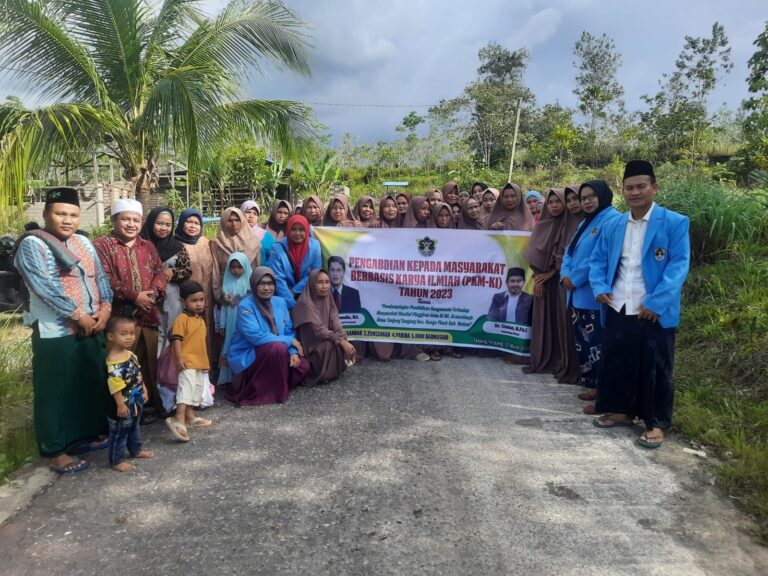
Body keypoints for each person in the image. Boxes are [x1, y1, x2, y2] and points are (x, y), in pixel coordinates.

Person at [590, 160, 690, 449]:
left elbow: (678, 266)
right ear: (623, 192)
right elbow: (598, 259)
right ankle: (621, 411)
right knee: (618, 361)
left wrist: (657, 302)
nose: (635, 192)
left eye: (641, 186)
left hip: (653, 310)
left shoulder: (675, 222)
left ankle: (655, 423)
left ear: (654, 188)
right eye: (629, 188)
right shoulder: (614, 224)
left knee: (656, 368)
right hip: (618, 304)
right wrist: (600, 287)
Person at [14, 187, 113, 473]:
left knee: (88, 382)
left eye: (73, 214)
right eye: (60, 214)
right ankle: (55, 450)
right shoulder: (33, 244)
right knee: (54, 390)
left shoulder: (84, 242)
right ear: (46, 214)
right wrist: (78, 315)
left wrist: (105, 308)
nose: (67, 220)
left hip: (92, 324)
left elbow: (100, 277)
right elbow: (44, 286)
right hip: (54, 330)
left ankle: (83, 437)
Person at [94, 199, 167, 421]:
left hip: (147, 315)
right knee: (119, 364)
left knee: (145, 364)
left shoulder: (147, 246)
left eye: (136, 220)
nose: (131, 224)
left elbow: (160, 273)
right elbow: (104, 277)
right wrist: (135, 296)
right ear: (114, 220)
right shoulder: (102, 245)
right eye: (125, 219)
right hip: (119, 319)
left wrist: (151, 296)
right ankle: (117, 412)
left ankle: (142, 408)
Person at [561, 180, 621, 413]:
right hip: (576, 295)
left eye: (591, 197)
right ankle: (595, 387)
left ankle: (606, 395)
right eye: (583, 198)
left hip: (594, 295)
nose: (586, 201)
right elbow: (570, 250)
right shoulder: (586, 221)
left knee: (599, 345)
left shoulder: (612, 220)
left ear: (604, 196)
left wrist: (573, 278)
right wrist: (565, 273)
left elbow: (598, 258)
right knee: (585, 345)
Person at [226, 267, 310, 405]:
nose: (266, 288)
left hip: (277, 350)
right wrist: (290, 341)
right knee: (276, 348)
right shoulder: (245, 306)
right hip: (250, 355)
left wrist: (293, 352)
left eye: (270, 283)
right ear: (254, 284)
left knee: (303, 366)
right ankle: (271, 391)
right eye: (262, 283)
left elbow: (288, 330)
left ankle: (275, 383)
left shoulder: (280, 302)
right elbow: (256, 336)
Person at [522, 189, 570, 375]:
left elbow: (567, 254)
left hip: (561, 281)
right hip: (541, 280)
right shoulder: (542, 224)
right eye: (551, 202)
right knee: (543, 320)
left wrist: (551, 273)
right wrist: (538, 276)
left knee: (560, 321)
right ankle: (542, 358)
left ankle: (561, 360)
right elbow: (534, 253)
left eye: (558, 202)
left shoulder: (570, 224)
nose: (554, 206)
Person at [139, 207, 192, 354]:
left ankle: (167, 370)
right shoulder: (139, 244)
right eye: (159, 223)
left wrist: (173, 272)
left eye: (168, 225)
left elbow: (187, 270)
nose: (164, 228)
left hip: (170, 297)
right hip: (145, 297)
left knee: (170, 331)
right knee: (149, 335)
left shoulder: (176, 246)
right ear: (151, 223)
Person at [105, 316, 154, 472]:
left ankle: (136, 449)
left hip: (135, 400)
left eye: (131, 333)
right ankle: (116, 460)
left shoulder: (130, 355)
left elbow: (138, 374)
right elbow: (115, 385)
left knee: (134, 426)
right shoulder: (114, 361)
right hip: (122, 404)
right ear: (111, 336)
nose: (129, 337)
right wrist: (120, 404)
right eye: (123, 334)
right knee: (120, 431)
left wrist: (144, 389)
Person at [166, 281, 213, 442]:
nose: (199, 304)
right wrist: (178, 359)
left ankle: (190, 416)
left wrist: (205, 363)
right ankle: (178, 419)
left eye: (201, 300)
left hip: (199, 362)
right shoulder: (181, 319)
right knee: (186, 389)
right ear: (183, 302)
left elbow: (200, 344)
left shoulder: (200, 320)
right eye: (194, 300)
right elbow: (176, 340)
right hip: (186, 361)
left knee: (196, 389)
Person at [293, 269, 357, 386]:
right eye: (320, 282)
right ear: (312, 283)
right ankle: (319, 374)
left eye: (327, 282)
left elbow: (334, 319)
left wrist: (343, 336)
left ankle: (331, 372)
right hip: (310, 346)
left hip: (324, 337)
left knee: (339, 339)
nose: (325, 286)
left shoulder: (328, 297)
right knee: (332, 343)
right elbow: (317, 330)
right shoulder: (305, 303)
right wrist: (340, 341)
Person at [173, 209, 216, 370]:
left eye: (197, 223)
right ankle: (187, 366)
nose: (193, 226)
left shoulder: (206, 242)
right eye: (189, 222)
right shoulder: (174, 244)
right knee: (187, 330)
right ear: (181, 223)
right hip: (184, 295)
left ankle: (207, 366)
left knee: (206, 328)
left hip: (207, 295)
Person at [553, 185, 585, 385]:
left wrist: (574, 277)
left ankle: (586, 374)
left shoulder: (591, 222)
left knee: (585, 332)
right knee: (568, 327)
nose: (573, 204)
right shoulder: (567, 223)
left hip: (586, 287)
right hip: (564, 282)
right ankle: (571, 366)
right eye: (570, 200)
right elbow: (564, 252)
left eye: (576, 199)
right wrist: (565, 275)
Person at [270, 214, 322, 309]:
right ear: (288, 230)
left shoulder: (315, 246)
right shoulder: (277, 248)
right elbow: (278, 278)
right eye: (294, 229)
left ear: (306, 230)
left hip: (307, 294)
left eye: (301, 230)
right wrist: (292, 304)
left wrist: (295, 291)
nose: (297, 233)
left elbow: (315, 273)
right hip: (283, 297)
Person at [211, 207, 261, 305]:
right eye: (230, 220)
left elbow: (257, 269)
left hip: (250, 294)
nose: (234, 224)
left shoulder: (253, 243)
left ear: (242, 220)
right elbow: (215, 272)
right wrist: (219, 296)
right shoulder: (217, 244)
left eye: (237, 220)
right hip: (227, 293)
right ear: (224, 222)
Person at [217, 252, 252, 386]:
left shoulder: (250, 283)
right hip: (231, 323)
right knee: (229, 345)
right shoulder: (227, 284)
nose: (236, 270)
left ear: (245, 267)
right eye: (233, 267)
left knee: (245, 345)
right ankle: (228, 377)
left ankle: (244, 376)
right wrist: (222, 324)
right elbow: (225, 308)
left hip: (246, 321)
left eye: (239, 267)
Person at [261, 199, 292, 265]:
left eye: (286, 213)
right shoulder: (263, 228)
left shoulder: (292, 230)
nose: (282, 216)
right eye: (279, 212)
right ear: (274, 212)